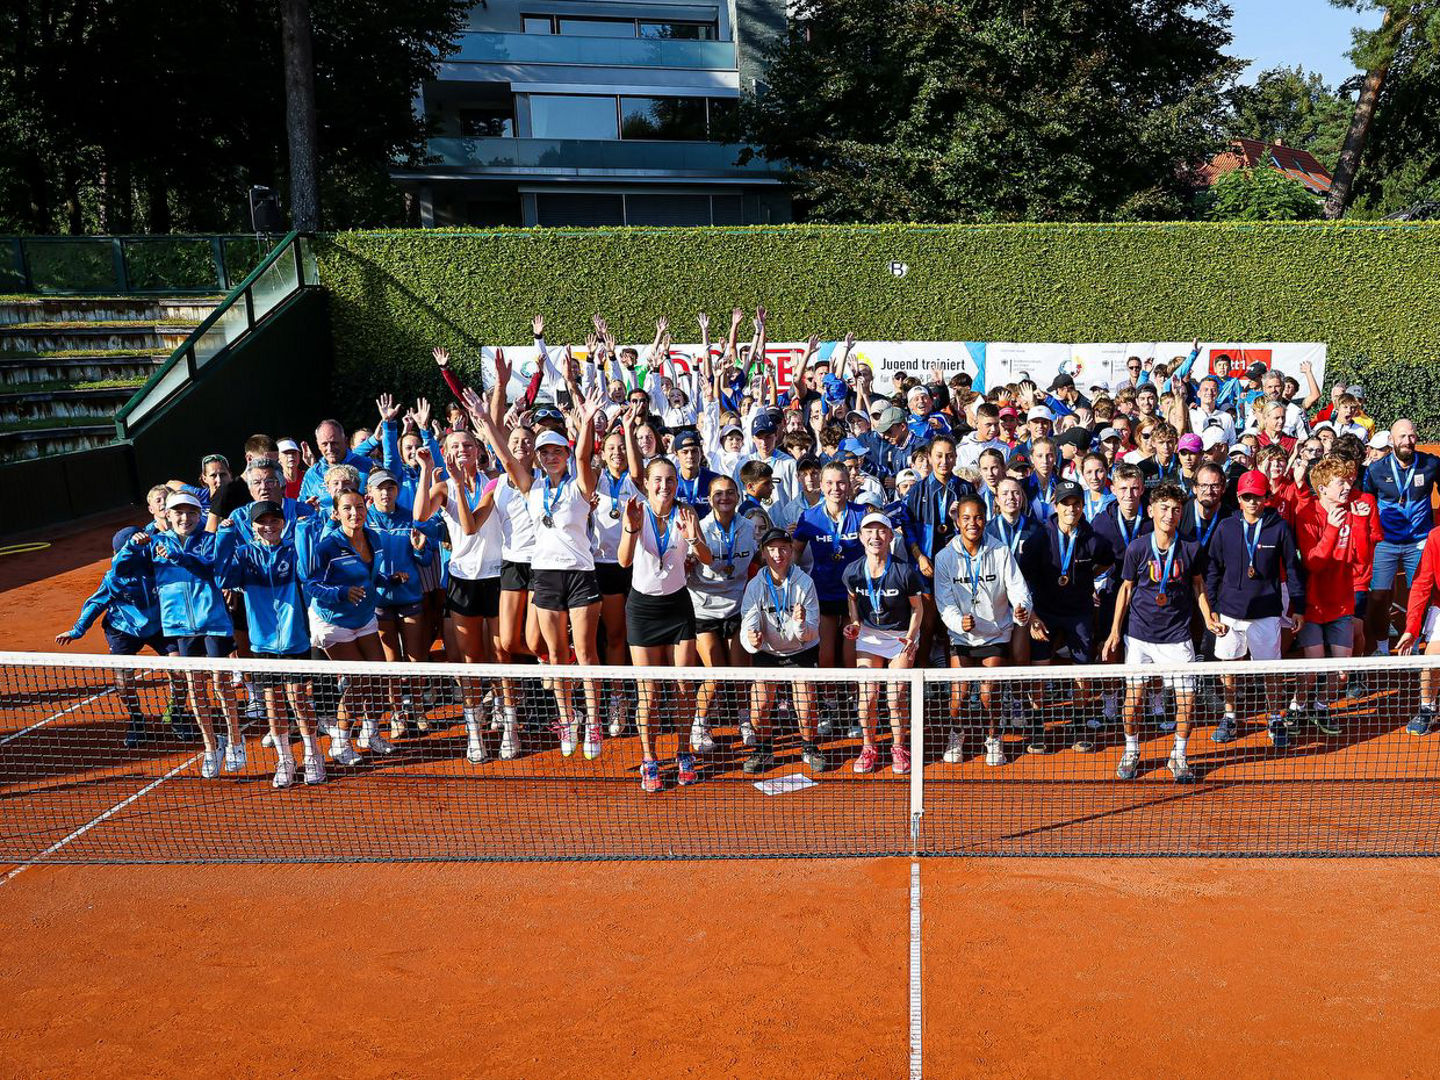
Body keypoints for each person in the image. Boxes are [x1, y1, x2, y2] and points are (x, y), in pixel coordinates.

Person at [478, 390, 605, 760]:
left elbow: (584, 455)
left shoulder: (582, 484)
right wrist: (487, 422)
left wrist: (586, 420)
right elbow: (503, 455)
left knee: (585, 652)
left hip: (581, 574)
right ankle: (568, 720)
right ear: (537, 457)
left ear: (566, 455)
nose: (551, 457)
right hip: (545, 576)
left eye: (557, 451)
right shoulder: (530, 488)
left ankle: (593, 722)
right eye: (545, 452)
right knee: (554, 653)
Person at [1102, 482, 1224, 783]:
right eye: (1164, 508)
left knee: (1188, 702)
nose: (1170, 514)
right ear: (1151, 510)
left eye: (1176, 509)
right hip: (1140, 636)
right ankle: (1132, 750)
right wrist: (1115, 631)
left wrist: (1208, 617)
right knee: (1133, 702)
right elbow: (1126, 588)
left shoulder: (1191, 548)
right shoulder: (1138, 547)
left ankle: (1179, 755)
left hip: (1177, 636)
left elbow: (1198, 584)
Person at [115, 491, 242, 780]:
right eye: (178, 513)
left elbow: (208, 568)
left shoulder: (210, 541)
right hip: (179, 626)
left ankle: (235, 740)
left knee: (222, 685)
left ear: (199, 515)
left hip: (213, 623)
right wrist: (130, 549)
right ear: (167, 516)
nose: (185, 518)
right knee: (196, 689)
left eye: (191, 513)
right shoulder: (153, 544)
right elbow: (121, 571)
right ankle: (212, 747)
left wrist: (177, 556)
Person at [213, 501, 327, 787]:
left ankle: (313, 755)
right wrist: (224, 536)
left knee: (299, 700)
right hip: (262, 644)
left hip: (295, 640)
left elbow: (309, 569)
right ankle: (285, 759)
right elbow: (222, 576)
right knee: (274, 706)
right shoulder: (243, 554)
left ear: (283, 522)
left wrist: (305, 528)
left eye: (275, 520)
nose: (269, 526)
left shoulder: (293, 549)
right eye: (262, 521)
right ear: (252, 526)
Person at [618, 457, 711, 792]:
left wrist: (693, 537)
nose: (664, 486)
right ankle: (650, 760)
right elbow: (624, 560)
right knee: (650, 693)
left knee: (684, 687)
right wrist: (630, 526)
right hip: (642, 609)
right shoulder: (636, 511)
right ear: (647, 482)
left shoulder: (686, 514)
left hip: (677, 607)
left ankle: (684, 752)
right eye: (658, 480)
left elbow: (707, 558)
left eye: (670, 480)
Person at [55, 526, 191, 748]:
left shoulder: (160, 567)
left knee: (180, 671)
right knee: (123, 681)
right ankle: (137, 719)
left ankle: (176, 712)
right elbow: (96, 604)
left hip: (160, 626)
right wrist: (77, 630)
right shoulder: (115, 577)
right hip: (122, 629)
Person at [1204, 471, 1306, 746]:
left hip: (1267, 611)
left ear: (1266, 498)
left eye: (1257, 497)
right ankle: (1230, 716)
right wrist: (1212, 605)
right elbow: (1212, 568)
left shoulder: (1280, 527)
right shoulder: (1226, 527)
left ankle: (1275, 717)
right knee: (1230, 668)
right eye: (1247, 497)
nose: (1252, 502)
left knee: (1270, 669)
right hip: (1230, 612)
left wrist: (1297, 606)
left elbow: (1294, 569)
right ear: (1238, 499)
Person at [935, 494, 1032, 767]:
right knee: (960, 694)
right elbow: (944, 602)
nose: (972, 523)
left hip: (996, 631)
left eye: (977, 517)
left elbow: (1017, 588)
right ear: (958, 521)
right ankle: (957, 734)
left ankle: (994, 738)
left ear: (985, 518)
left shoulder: (1001, 551)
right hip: (961, 635)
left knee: (990, 693)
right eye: (966, 518)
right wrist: (958, 622)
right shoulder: (944, 558)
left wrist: (1022, 608)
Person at [1027, 481, 1116, 752]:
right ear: (1056, 506)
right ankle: (1037, 727)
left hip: (1079, 612)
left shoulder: (1092, 537)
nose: (1071, 508)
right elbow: (1025, 576)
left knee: (1081, 671)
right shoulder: (1039, 536)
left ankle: (1078, 725)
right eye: (1066, 503)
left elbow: (1107, 560)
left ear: (1082, 506)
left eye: (1076, 503)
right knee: (1039, 671)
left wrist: (1088, 581)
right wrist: (1032, 616)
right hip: (1045, 612)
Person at [1288, 455, 1368, 734]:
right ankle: (1298, 707)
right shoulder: (1306, 513)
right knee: (1312, 667)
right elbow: (1313, 562)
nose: (1348, 486)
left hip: (1342, 603)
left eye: (1349, 480)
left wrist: (1357, 524)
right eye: (1340, 482)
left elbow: (1361, 559)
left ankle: (1321, 707)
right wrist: (1333, 529)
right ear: (1322, 488)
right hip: (1312, 605)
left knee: (1342, 671)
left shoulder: (1352, 512)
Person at [739, 527, 824, 774]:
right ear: (764, 553)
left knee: (806, 707)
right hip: (769, 653)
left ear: (790, 551)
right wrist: (751, 641)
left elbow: (812, 632)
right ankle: (764, 749)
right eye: (772, 549)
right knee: (759, 708)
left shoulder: (805, 583)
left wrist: (799, 624)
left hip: (802, 650)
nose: (778, 554)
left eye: (783, 548)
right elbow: (748, 624)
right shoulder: (755, 586)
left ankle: (809, 747)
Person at [843, 512, 922, 774]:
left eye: (881, 532)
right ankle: (869, 747)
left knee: (895, 694)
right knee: (867, 696)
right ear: (861, 537)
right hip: (870, 636)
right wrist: (854, 624)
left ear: (890, 536)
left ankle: (898, 747)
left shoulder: (904, 571)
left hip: (900, 636)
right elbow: (852, 599)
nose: (875, 537)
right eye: (869, 531)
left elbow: (917, 609)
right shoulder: (852, 572)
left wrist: (911, 637)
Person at [689, 474, 758, 751]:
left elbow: (757, 561)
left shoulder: (750, 527)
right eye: (718, 493)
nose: (725, 498)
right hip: (703, 609)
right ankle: (699, 725)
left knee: (741, 671)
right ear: (709, 499)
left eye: (730, 492)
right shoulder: (700, 528)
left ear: (738, 497)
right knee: (715, 673)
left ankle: (745, 721)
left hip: (737, 606)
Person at [1362, 419, 1440, 657]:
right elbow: (1367, 502)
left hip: (1419, 541)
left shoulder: (1431, 464)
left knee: (1419, 594)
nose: (1407, 441)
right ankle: (1383, 647)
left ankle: (1414, 643)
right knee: (1378, 596)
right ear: (1391, 440)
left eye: (1411, 436)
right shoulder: (1376, 470)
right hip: (1386, 541)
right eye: (1402, 437)